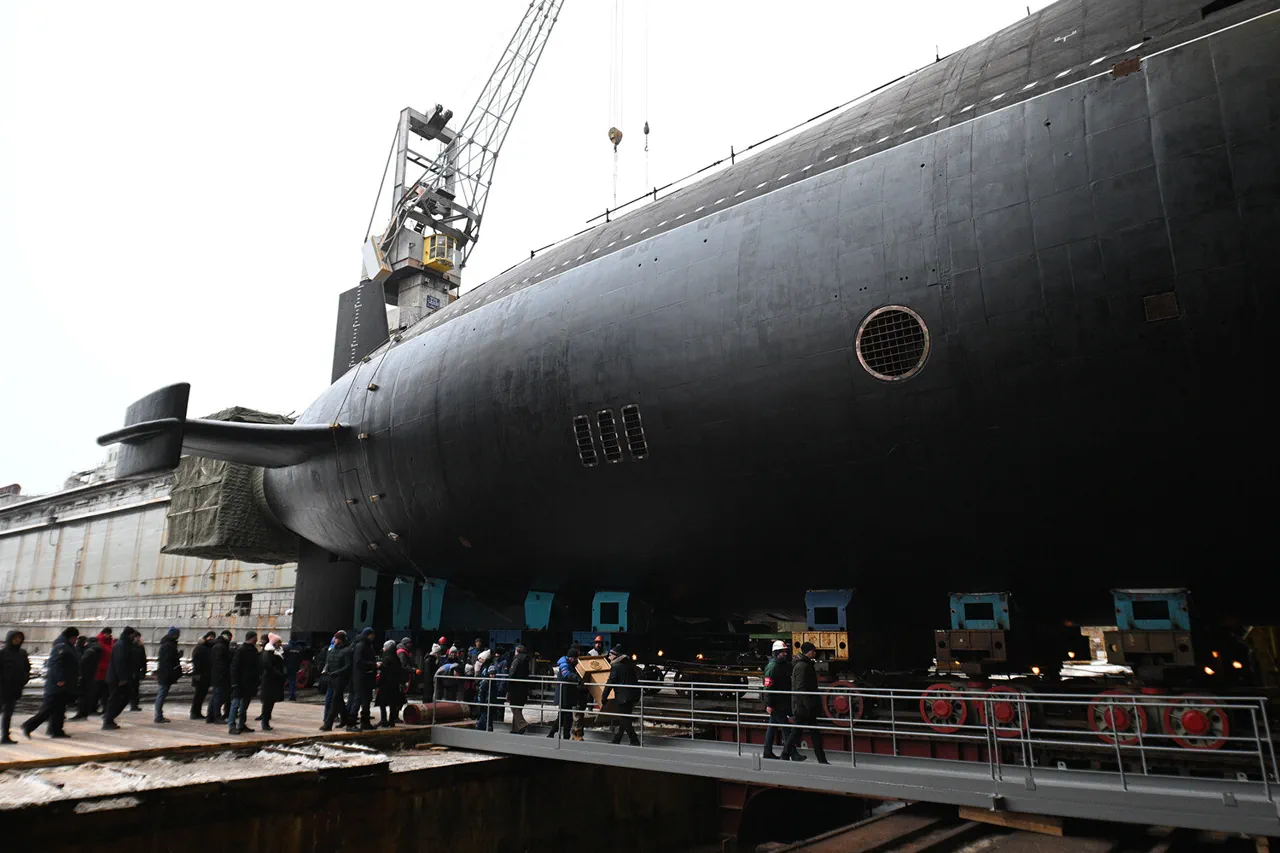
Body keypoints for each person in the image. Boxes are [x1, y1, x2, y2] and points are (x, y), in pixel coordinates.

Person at [23, 626, 79, 739]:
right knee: (48, 708)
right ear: (70, 637)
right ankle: (28, 725)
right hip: (57, 684)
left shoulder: (67, 646)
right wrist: (60, 679)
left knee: (59, 708)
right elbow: (55, 664)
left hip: (65, 683)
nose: (76, 640)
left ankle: (56, 730)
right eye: (74, 638)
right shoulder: (61, 647)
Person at [782, 642, 828, 764]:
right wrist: (809, 705)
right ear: (809, 652)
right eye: (813, 651)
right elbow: (801, 687)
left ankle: (821, 759)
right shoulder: (803, 666)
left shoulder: (804, 664)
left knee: (804, 732)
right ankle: (786, 753)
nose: (815, 653)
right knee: (802, 732)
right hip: (804, 706)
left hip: (803, 705)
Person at [598, 645, 641, 745]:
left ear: (616, 656)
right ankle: (617, 739)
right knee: (624, 717)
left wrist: (604, 697)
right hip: (632, 695)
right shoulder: (628, 664)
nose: (609, 657)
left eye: (610, 655)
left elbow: (610, 682)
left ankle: (634, 740)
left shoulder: (616, 666)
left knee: (624, 718)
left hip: (623, 697)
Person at [762, 640, 797, 760]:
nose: (785, 654)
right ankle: (792, 753)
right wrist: (769, 704)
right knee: (785, 728)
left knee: (772, 727)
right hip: (777, 702)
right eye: (782, 652)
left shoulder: (783, 665)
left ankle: (767, 752)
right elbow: (768, 688)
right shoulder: (772, 667)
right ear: (776, 653)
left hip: (781, 701)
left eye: (785, 652)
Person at [546, 646, 584, 741]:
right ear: (571, 658)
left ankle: (553, 733)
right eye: (575, 658)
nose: (577, 660)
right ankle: (563, 736)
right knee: (566, 717)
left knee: (563, 716)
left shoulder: (569, 663)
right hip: (564, 694)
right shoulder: (564, 664)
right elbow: (566, 674)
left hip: (567, 694)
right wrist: (577, 678)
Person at [103, 626, 137, 730]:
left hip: (119, 677)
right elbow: (119, 663)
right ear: (129, 635)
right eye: (133, 635)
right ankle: (108, 720)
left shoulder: (125, 644)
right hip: (116, 678)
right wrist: (122, 678)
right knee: (114, 699)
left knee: (124, 697)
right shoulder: (121, 645)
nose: (134, 637)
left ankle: (109, 717)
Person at [229, 630, 261, 734]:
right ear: (252, 638)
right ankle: (232, 725)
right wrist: (235, 682)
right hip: (241, 682)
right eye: (255, 637)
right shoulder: (241, 650)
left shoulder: (253, 650)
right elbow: (234, 667)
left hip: (249, 682)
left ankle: (241, 724)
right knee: (236, 704)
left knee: (244, 706)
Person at [1, 630, 31, 744]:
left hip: (15, 688)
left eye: (19, 638)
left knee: (8, 713)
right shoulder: (3, 653)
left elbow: (27, 668)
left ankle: (5, 736)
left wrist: (24, 680)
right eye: (15, 638)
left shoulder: (22, 653)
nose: (17, 640)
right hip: (2, 687)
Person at [320, 631, 352, 731]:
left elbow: (348, 666)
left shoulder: (346, 651)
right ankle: (346, 720)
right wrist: (325, 669)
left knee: (334, 700)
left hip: (340, 679)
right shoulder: (332, 649)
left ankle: (328, 724)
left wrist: (336, 672)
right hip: (332, 677)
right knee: (339, 700)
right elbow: (328, 662)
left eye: (337, 638)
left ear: (341, 640)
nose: (335, 640)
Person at [347, 627, 377, 731]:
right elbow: (358, 661)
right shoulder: (361, 646)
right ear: (369, 635)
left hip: (367, 677)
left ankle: (365, 722)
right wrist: (373, 665)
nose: (373, 636)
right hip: (360, 677)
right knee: (358, 699)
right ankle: (350, 724)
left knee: (367, 700)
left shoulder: (367, 645)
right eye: (372, 634)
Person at [154, 626, 182, 723]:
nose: (178, 636)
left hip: (165, 673)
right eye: (177, 634)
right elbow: (167, 661)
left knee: (162, 693)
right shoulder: (168, 645)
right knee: (162, 693)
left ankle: (158, 715)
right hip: (165, 674)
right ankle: (158, 716)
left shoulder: (168, 644)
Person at [71, 633, 101, 719]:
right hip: (91, 674)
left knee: (81, 695)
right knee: (87, 694)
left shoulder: (86, 651)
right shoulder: (95, 649)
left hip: (83, 675)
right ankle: (85, 712)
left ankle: (81, 713)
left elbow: (81, 662)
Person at [259, 633, 285, 731]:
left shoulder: (276, 652)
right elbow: (268, 666)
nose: (280, 644)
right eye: (278, 642)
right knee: (268, 701)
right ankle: (265, 722)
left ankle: (266, 721)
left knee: (270, 701)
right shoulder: (269, 652)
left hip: (274, 679)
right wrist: (279, 673)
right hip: (270, 680)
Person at [206, 630, 232, 724]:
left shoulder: (218, 645)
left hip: (217, 675)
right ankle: (216, 716)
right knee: (218, 696)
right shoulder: (220, 646)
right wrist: (225, 672)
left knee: (215, 696)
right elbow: (220, 662)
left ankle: (211, 716)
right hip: (220, 676)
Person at [506, 643, 533, 734]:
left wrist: (508, 686)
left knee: (514, 706)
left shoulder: (517, 660)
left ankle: (522, 724)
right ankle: (515, 729)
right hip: (523, 687)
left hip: (515, 687)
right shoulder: (526, 660)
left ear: (517, 651)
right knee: (518, 708)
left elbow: (512, 673)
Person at [376, 639, 403, 728]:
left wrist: (380, 667)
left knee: (382, 702)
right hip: (394, 683)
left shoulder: (387, 657)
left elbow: (385, 671)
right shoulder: (396, 657)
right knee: (393, 703)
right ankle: (391, 721)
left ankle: (384, 720)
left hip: (385, 684)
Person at [189, 631, 215, 720]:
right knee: (198, 695)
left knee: (202, 695)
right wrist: (197, 674)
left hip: (206, 675)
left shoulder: (208, 647)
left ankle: (197, 712)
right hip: (200, 675)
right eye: (210, 636)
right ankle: (194, 713)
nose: (211, 638)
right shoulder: (200, 647)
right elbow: (196, 661)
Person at [92, 627, 114, 714]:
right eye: (108, 634)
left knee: (105, 692)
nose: (109, 635)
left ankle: (105, 708)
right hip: (100, 671)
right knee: (98, 691)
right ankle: (93, 708)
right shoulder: (99, 643)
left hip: (106, 670)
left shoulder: (109, 642)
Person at [474, 649, 495, 731]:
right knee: (485, 712)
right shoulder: (485, 666)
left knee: (485, 712)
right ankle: (485, 726)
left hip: (486, 694)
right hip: (485, 694)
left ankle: (483, 726)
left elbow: (479, 680)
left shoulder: (485, 667)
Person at [129, 631, 146, 712]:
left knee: (135, 688)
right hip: (130, 670)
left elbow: (143, 659)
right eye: (137, 637)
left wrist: (143, 671)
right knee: (131, 688)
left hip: (137, 670)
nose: (138, 638)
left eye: (139, 637)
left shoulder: (140, 646)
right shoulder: (129, 646)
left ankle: (134, 704)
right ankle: (133, 704)